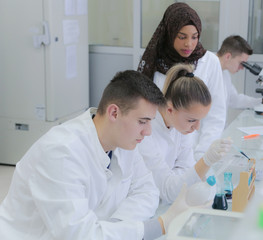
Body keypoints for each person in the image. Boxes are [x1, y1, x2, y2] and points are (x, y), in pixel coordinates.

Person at [0, 70, 190, 240]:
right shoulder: (61, 153)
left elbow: (147, 191)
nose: (148, 132)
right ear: (114, 113)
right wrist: (156, 227)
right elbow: (78, 235)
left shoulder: (124, 143)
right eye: (142, 121)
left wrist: (115, 228)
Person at [138, 2, 226, 161]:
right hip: (155, 147)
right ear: (169, 33)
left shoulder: (210, 62)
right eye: (182, 37)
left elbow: (216, 114)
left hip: (193, 148)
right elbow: (142, 109)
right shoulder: (153, 62)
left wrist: (203, 154)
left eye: (194, 37)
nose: (189, 44)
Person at [138, 63, 233, 204]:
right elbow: (170, 191)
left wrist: (177, 179)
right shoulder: (145, 133)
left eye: (200, 120)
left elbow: (185, 169)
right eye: (192, 120)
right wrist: (206, 161)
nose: (196, 127)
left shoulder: (180, 126)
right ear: (170, 110)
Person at [217, 35, 262, 116]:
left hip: (218, 126)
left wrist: (261, 102)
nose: (242, 68)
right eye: (242, 63)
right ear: (228, 56)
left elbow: (234, 99)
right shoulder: (205, 70)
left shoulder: (224, 73)